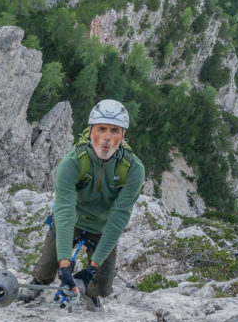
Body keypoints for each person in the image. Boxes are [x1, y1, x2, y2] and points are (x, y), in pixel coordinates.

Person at [19, 99, 145, 310]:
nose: (106, 138)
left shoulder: (132, 169)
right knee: (48, 265)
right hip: (74, 220)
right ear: (90, 131)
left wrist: (92, 268)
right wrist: (65, 265)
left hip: (103, 228)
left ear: (123, 136)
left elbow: (118, 218)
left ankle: (91, 293)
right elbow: (65, 212)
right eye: (101, 129)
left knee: (103, 287)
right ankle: (39, 281)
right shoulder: (73, 162)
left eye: (114, 131)